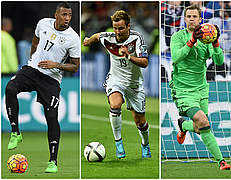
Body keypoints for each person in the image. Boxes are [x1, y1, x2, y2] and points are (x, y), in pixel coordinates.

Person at [5, 2, 80, 173]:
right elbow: (35, 41)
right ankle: (15, 132)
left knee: (51, 117)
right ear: (56, 15)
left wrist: (56, 65)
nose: (67, 18)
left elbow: (75, 66)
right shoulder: (43, 23)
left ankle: (53, 161)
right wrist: (32, 60)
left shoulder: (73, 38)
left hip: (51, 79)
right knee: (10, 88)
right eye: (64, 15)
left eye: (69, 15)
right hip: (32, 70)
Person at [83, 10, 151, 159]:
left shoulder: (136, 38)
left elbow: (145, 62)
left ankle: (145, 144)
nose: (117, 31)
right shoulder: (109, 38)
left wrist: (129, 56)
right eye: (115, 28)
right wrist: (88, 40)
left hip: (134, 84)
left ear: (128, 26)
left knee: (140, 121)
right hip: (116, 80)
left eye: (120, 28)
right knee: (115, 105)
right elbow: (97, 36)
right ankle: (118, 143)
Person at [170, 5, 231, 170]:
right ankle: (221, 161)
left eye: (194, 16)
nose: (191, 19)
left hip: (201, 89)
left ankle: (183, 125)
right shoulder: (177, 37)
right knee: (203, 121)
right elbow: (176, 57)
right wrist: (191, 42)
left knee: (201, 127)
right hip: (182, 89)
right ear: (184, 19)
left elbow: (219, 62)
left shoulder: (207, 38)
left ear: (199, 19)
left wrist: (216, 42)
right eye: (188, 16)